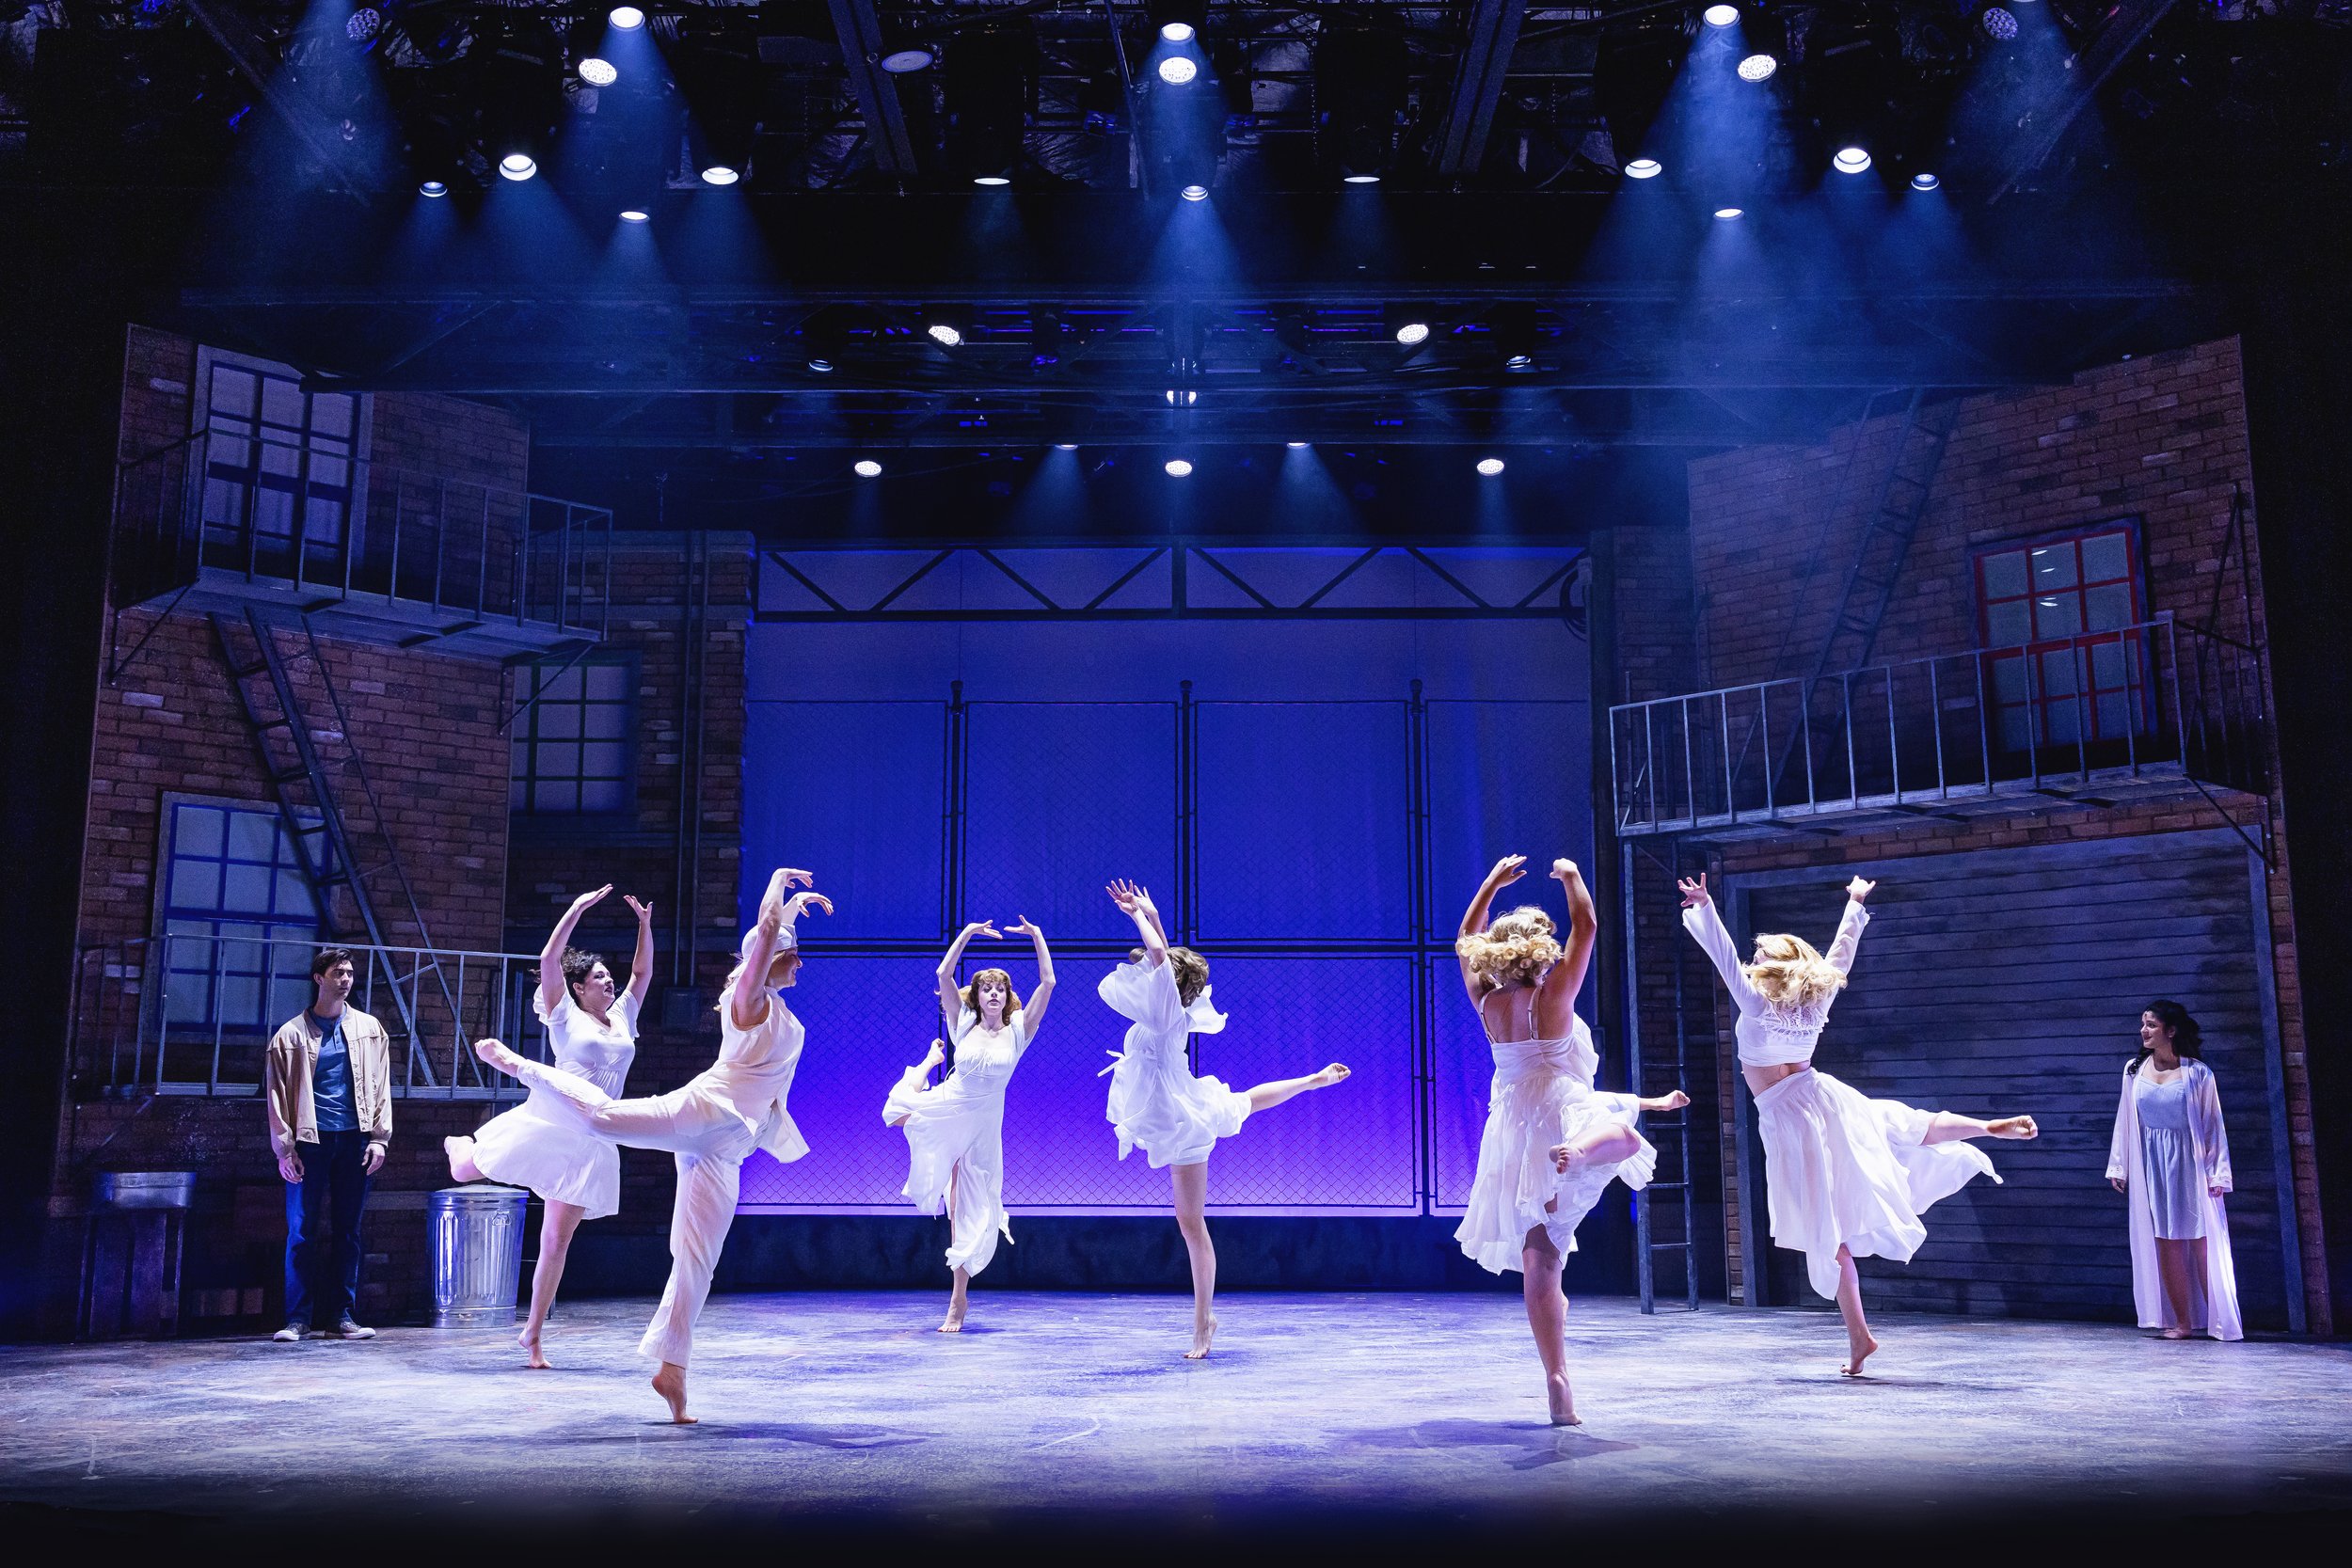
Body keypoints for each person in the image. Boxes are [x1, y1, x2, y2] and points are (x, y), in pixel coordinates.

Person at [474, 866, 829, 1422]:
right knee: (599, 1118)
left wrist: (782, 919)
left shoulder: (777, 1009)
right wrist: (780, 889)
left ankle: (672, 1370)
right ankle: (520, 1066)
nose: (801, 963)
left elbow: (648, 972)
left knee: (697, 1259)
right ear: (767, 959)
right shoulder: (747, 1001)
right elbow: (761, 934)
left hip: (730, 1141)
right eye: (793, 954)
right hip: (705, 1109)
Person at [1679, 873, 2038, 1375]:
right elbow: (1839, 958)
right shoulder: (1814, 1003)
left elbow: (1720, 952)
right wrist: (1853, 905)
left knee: (1831, 1232)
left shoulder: (1755, 1002)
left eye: (1761, 955)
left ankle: (1860, 1337)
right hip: (1824, 1097)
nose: (1753, 959)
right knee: (1900, 1125)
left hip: (1790, 1120)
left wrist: (1704, 905)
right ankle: (1982, 1127)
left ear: (1776, 966)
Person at [1454, 855, 1689, 1426]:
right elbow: (1586, 928)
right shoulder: (1552, 996)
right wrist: (1573, 876)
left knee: (1541, 1255)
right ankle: (1583, 1149)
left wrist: (1488, 885)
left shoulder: (1486, 1001)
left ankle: (1557, 1380)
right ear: (1538, 952)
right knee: (1625, 1141)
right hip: (1559, 1105)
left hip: (1512, 1122)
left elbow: (1464, 938)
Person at [1098, 879, 1350, 1359]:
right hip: (1171, 1108)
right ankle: (1312, 1080)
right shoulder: (1164, 1005)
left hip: (1180, 1119)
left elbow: (1158, 961)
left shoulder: (1168, 1012)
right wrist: (1152, 917)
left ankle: (1203, 1322)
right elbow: (1164, 962)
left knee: (1192, 1224)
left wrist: (1137, 917)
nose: (1146, 970)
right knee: (1246, 1104)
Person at [445, 884, 653, 1368]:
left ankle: (533, 1334)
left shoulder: (622, 1017)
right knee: (463, 1173)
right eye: (600, 977)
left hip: (592, 1135)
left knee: (557, 1240)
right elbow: (548, 957)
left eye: (609, 977)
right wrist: (577, 909)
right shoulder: (564, 1016)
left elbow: (642, 973)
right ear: (579, 987)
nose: (610, 982)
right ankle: (461, 1146)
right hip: (551, 1119)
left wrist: (644, 925)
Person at [884, 917, 1057, 1332]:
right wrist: (967, 934)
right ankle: (928, 1064)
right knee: (896, 1110)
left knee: (967, 1209)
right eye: (986, 987)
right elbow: (943, 973)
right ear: (978, 996)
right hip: (950, 1106)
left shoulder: (1020, 1031)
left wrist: (1036, 936)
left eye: (1000, 988)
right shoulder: (962, 1023)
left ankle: (957, 1300)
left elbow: (1048, 983)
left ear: (1007, 996)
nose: (994, 992)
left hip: (982, 1127)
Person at [264, 947, 392, 1343]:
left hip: (354, 1139)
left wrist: (379, 1138)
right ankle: (297, 1319)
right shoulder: (290, 1035)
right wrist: (285, 1149)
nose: (347, 979)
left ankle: (342, 1316)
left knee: (348, 1230)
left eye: (350, 973)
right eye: (339, 972)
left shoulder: (371, 1029)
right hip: (310, 1141)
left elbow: (383, 1085)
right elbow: (276, 1095)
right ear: (319, 978)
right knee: (302, 1230)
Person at [2106, 999, 2242, 1341]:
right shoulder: (2133, 1070)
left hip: (2191, 1162)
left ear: (2171, 1029)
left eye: (2151, 1024)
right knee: (2166, 1242)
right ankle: (2182, 1322)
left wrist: (2218, 1174)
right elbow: (2125, 1119)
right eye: (2143, 1024)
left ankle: (2220, 1321)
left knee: (2201, 1241)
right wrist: (2119, 1165)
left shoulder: (2197, 1073)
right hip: (2152, 1162)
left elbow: (2213, 1125)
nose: (2144, 1030)